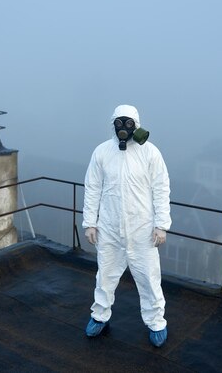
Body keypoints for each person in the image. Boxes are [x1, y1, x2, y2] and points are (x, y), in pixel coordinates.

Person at [82, 104, 171, 348]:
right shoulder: (102, 152)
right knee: (105, 277)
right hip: (109, 228)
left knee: (149, 278)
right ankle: (99, 316)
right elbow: (92, 188)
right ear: (113, 124)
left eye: (128, 123)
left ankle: (156, 322)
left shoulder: (150, 153)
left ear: (137, 125)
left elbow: (161, 188)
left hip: (142, 230)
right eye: (120, 122)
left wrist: (161, 224)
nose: (124, 127)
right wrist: (90, 222)